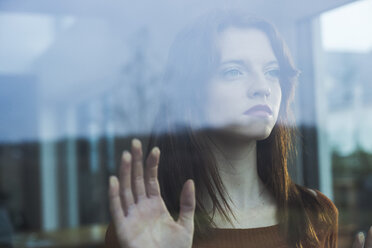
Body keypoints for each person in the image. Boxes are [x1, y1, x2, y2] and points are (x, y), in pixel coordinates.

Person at [105, 10, 372, 248]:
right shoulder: (145, 229)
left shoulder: (316, 213)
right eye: (234, 71)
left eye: (272, 71)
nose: (262, 87)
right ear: (191, 93)